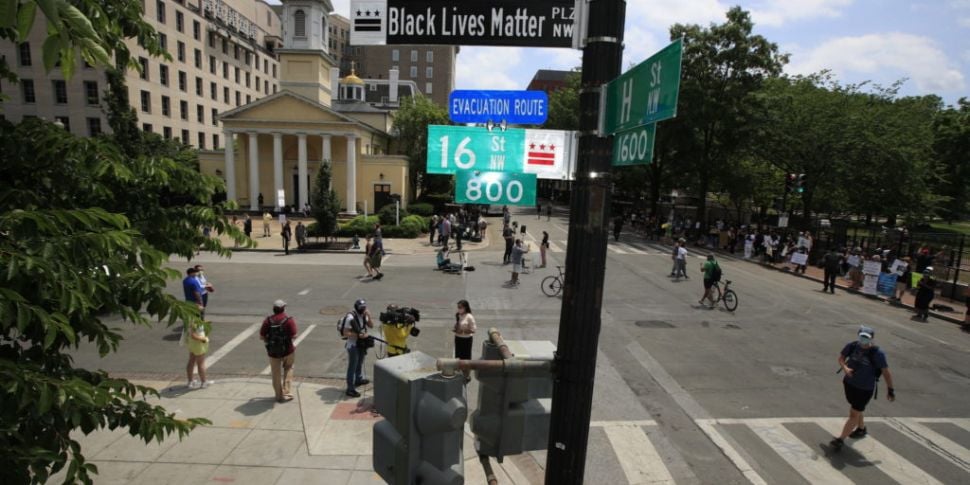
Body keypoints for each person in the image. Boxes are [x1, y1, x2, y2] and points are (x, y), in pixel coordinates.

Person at [830, 326, 895, 451]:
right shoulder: (852, 346)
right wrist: (845, 368)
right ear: (858, 335)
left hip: (865, 388)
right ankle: (861, 429)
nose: (864, 339)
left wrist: (890, 389)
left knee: (854, 413)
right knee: (855, 409)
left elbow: (886, 372)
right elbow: (841, 358)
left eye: (867, 337)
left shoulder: (878, 354)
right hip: (849, 383)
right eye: (862, 336)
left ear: (872, 338)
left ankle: (840, 439)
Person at [260, 300, 298, 403]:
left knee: (275, 374)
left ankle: (279, 396)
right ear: (284, 308)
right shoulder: (288, 320)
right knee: (289, 367)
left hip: (273, 352)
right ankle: (287, 390)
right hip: (288, 350)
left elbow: (261, 336)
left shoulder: (268, 321)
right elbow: (294, 335)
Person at [340, 299, 374, 398]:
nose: (363, 309)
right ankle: (350, 389)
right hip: (353, 345)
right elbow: (345, 333)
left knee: (360, 362)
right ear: (356, 308)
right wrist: (358, 335)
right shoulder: (350, 317)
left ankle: (358, 379)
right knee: (352, 366)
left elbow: (371, 325)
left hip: (361, 344)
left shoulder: (364, 314)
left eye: (364, 308)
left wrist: (369, 316)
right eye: (361, 308)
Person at [183, 315, 211, 389]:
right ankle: (204, 382)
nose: (202, 306)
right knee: (201, 363)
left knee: (191, 361)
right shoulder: (193, 321)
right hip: (198, 345)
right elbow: (193, 335)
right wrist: (203, 339)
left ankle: (190, 381)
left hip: (192, 344)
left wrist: (205, 323)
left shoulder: (191, 319)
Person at [454, 300, 477, 381]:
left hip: (466, 340)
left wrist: (463, 332)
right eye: (458, 307)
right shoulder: (458, 315)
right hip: (458, 338)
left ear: (465, 307)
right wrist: (456, 329)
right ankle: (458, 374)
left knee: (466, 358)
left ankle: (467, 375)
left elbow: (473, 329)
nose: (459, 309)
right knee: (458, 356)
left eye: (460, 307)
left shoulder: (469, 317)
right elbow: (457, 325)